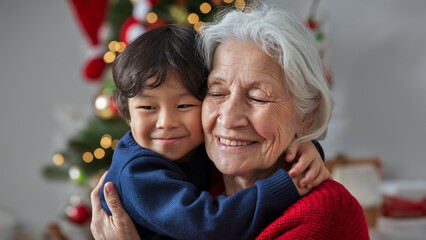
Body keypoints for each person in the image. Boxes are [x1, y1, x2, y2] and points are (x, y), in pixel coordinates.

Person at [91, 1, 369, 239]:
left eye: (259, 98)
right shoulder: (201, 175)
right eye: (217, 92)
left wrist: (308, 151)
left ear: (306, 116)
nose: (230, 118)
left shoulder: (325, 215)